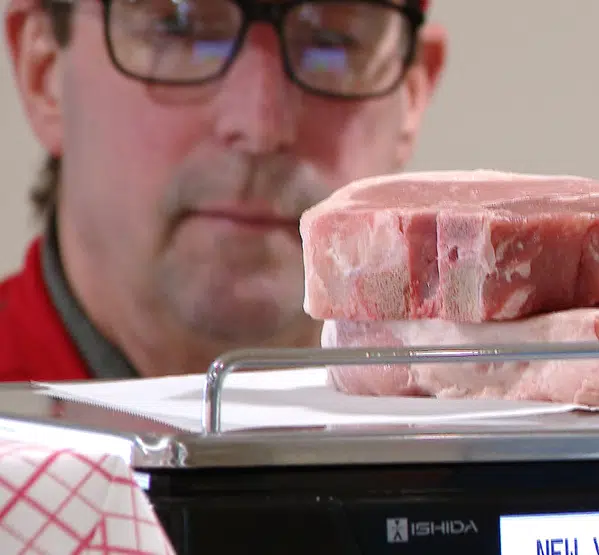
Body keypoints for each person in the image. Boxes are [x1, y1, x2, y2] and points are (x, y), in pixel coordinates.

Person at [0, 0, 446, 381]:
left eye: (332, 41)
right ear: (43, 71)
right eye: (180, 30)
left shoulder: (471, 439)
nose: (260, 127)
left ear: (413, 97)